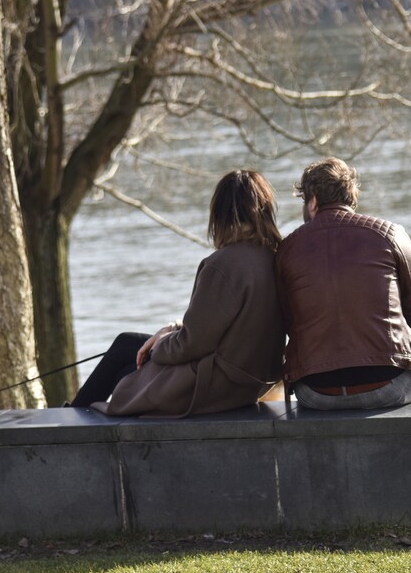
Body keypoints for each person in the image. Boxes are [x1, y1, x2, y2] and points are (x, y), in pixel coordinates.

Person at [68, 170, 286, 417]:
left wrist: (160, 345)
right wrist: (172, 330)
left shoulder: (223, 265)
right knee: (127, 347)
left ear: (220, 213)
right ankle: (72, 417)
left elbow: (191, 345)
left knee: (127, 364)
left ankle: (69, 421)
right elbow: (231, 327)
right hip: (249, 383)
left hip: (217, 386)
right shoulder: (275, 258)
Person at [275, 157, 411, 410]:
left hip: (315, 391)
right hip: (390, 384)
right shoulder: (390, 234)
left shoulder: (287, 249)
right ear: (351, 196)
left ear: (312, 200)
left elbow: (289, 323)